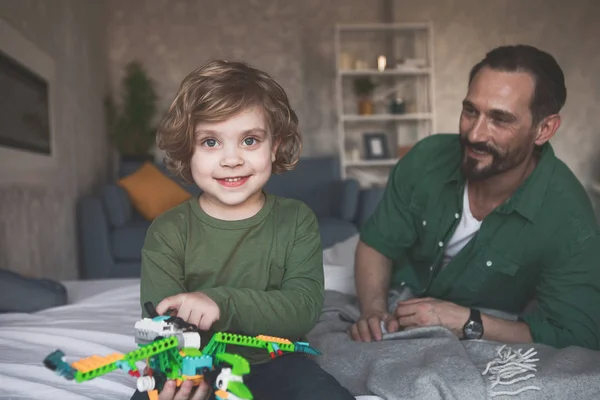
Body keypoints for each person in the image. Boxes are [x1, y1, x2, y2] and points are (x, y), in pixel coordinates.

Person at [349, 44, 600, 351]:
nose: (475, 134)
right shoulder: (427, 158)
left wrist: (469, 322)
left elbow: (579, 333)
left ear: (544, 129)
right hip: (399, 290)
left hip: (485, 319)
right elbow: (377, 243)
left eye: (500, 119)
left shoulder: (568, 216)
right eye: (470, 111)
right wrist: (373, 309)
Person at [131, 60, 355, 400]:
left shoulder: (296, 219)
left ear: (275, 146)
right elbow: (159, 320)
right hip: (195, 366)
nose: (231, 159)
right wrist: (179, 369)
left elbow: (303, 308)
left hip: (275, 362)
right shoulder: (168, 230)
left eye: (249, 140)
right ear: (187, 149)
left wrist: (221, 302)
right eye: (210, 142)